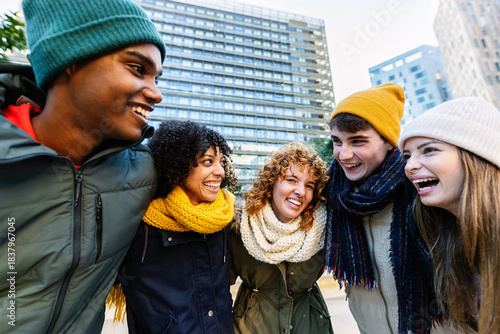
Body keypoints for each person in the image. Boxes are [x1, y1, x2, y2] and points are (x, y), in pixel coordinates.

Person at [0, 0, 165, 332]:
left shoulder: (144, 172)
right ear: (71, 61)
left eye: (157, 77)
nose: (156, 93)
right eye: (137, 68)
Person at [323, 83, 458, 334]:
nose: (343, 154)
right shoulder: (330, 195)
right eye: (337, 142)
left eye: (358, 141)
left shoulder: (425, 189)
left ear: (388, 142)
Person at [112, 120, 238, 334]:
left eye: (222, 162)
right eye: (208, 162)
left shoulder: (224, 218)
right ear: (177, 165)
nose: (220, 172)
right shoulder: (138, 223)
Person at [399, 97, 500, 333]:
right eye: (406, 155)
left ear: (477, 157)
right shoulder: (446, 238)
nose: (409, 166)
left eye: (429, 150)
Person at [229, 142, 333, 334]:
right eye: (292, 180)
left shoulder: (323, 227)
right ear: (272, 181)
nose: (301, 191)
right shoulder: (240, 225)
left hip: (310, 325)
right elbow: (216, 287)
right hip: (252, 327)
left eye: (309, 185)